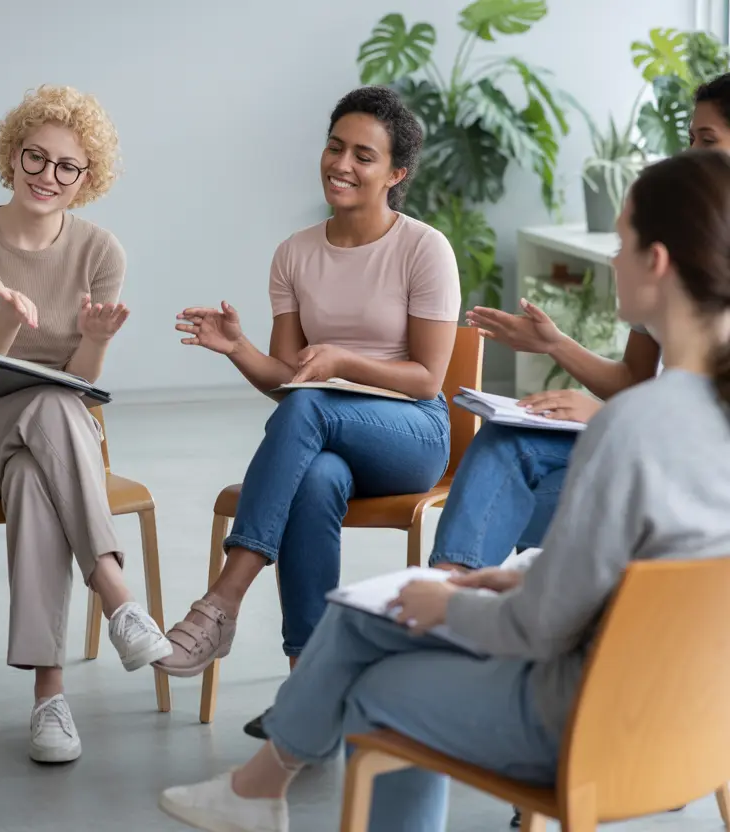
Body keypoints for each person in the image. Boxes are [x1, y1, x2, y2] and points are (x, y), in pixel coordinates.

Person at [157, 148, 730, 832]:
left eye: (623, 239)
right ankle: (253, 791)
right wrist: (509, 583)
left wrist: (445, 604)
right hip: (697, 726)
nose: (613, 258)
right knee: (382, 599)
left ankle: (255, 788)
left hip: (588, 722)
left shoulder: (633, 425)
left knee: (375, 687)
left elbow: (538, 632)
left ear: (657, 262)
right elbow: (652, 579)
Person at [156, 87, 460, 682]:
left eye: (363, 156)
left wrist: (343, 362)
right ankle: (309, 679)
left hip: (412, 434)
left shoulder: (424, 249)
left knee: (313, 410)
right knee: (315, 478)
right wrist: (238, 348)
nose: (341, 164)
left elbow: (427, 380)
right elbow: (289, 384)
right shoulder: (294, 254)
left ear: (396, 172)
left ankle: (223, 600)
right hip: (325, 431)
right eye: (334, 146)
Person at [0, 84, 171, 763]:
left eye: (68, 166)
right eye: (36, 157)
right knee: (47, 409)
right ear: (13, 155)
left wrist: (94, 339)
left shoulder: (100, 253)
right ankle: (118, 595)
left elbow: (82, 383)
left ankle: (49, 699)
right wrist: (7, 319)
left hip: (55, 442)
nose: (48, 176)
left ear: (87, 179)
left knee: (38, 469)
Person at [424, 70, 730, 576]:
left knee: (509, 498)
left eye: (707, 140)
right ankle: (451, 590)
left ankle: (452, 599)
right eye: (690, 138)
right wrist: (554, 344)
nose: (690, 152)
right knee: (507, 443)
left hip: (685, 476)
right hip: (648, 444)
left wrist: (612, 421)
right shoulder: (678, 237)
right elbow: (634, 378)